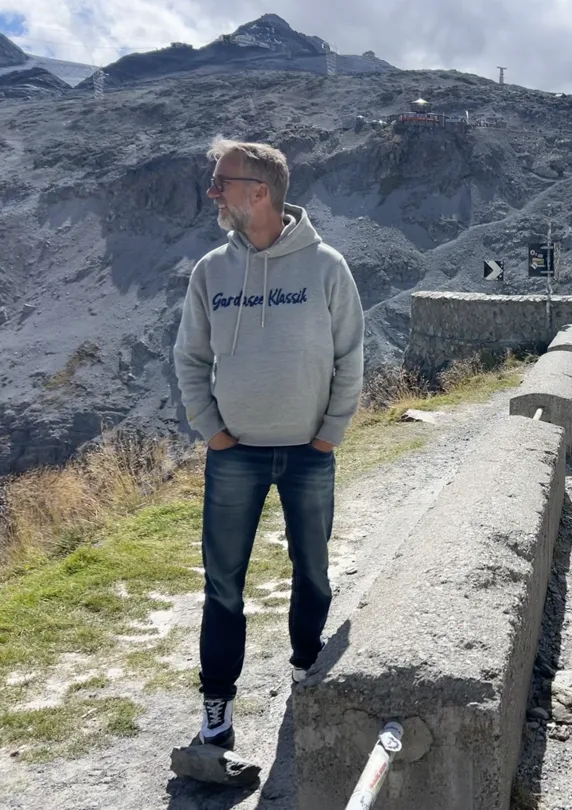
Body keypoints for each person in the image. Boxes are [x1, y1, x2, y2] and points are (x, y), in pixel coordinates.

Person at [173, 137, 365, 750]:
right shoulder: (211, 270)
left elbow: (351, 354)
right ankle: (218, 702)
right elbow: (189, 357)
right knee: (222, 583)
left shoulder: (327, 266)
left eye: (221, 182)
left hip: (309, 453)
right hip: (235, 455)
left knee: (313, 572)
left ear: (259, 192)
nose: (212, 193)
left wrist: (329, 435)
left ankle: (307, 668)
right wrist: (212, 431)